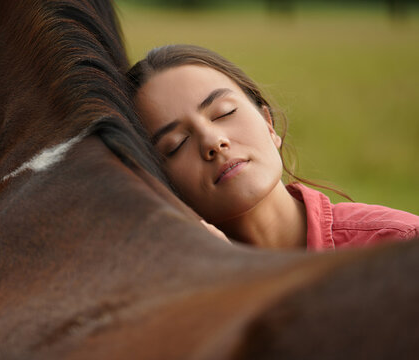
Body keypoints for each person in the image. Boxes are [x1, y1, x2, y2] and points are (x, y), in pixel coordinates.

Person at [126, 44, 419, 251]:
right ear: (160, 181)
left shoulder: (399, 246)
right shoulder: (177, 303)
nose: (213, 141)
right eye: (176, 144)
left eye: (224, 112)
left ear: (268, 124)